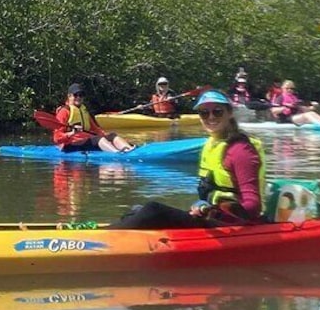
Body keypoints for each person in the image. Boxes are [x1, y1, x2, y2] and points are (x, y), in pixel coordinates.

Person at [107, 90, 266, 229]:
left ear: (229, 113)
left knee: (152, 210)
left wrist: (211, 212)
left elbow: (253, 207)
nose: (211, 117)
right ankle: (99, 235)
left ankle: (98, 244)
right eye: (204, 113)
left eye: (217, 111)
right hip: (215, 219)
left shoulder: (241, 151)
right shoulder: (212, 145)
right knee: (137, 210)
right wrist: (205, 209)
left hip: (237, 225)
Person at [53, 83, 135, 153]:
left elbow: (95, 129)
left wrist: (107, 137)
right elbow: (56, 138)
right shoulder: (64, 112)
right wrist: (71, 133)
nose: (78, 97)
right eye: (76, 95)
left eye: (81, 95)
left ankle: (128, 149)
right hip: (70, 145)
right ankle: (117, 154)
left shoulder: (84, 111)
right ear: (69, 96)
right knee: (98, 139)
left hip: (85, 141)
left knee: (112, 135)